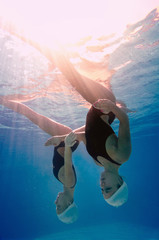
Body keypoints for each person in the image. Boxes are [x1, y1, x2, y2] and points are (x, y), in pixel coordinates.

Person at [0, 28, 132, 207]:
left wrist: (60, 139)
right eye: (108, 188)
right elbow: (124, 121)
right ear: (119, 183)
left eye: (102, 191)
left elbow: (85, 135)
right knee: (68, 71)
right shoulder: (122, 155)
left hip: (97, 111)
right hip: (104, 107)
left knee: (68, 72)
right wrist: (113, 107)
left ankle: (38, 43)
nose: (102, 186)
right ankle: (25, 33)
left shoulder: (97, 162)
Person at [0, 97, 82, 223]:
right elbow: (68, 150)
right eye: (58, 206)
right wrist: (59, 139)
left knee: (32, 116)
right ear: (69, 203)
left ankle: (3, 100)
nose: (55, 202)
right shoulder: (69, 182)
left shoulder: (69, 185)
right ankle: (2, 100)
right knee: (31, 115)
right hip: (64, 140)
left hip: (64, 140)